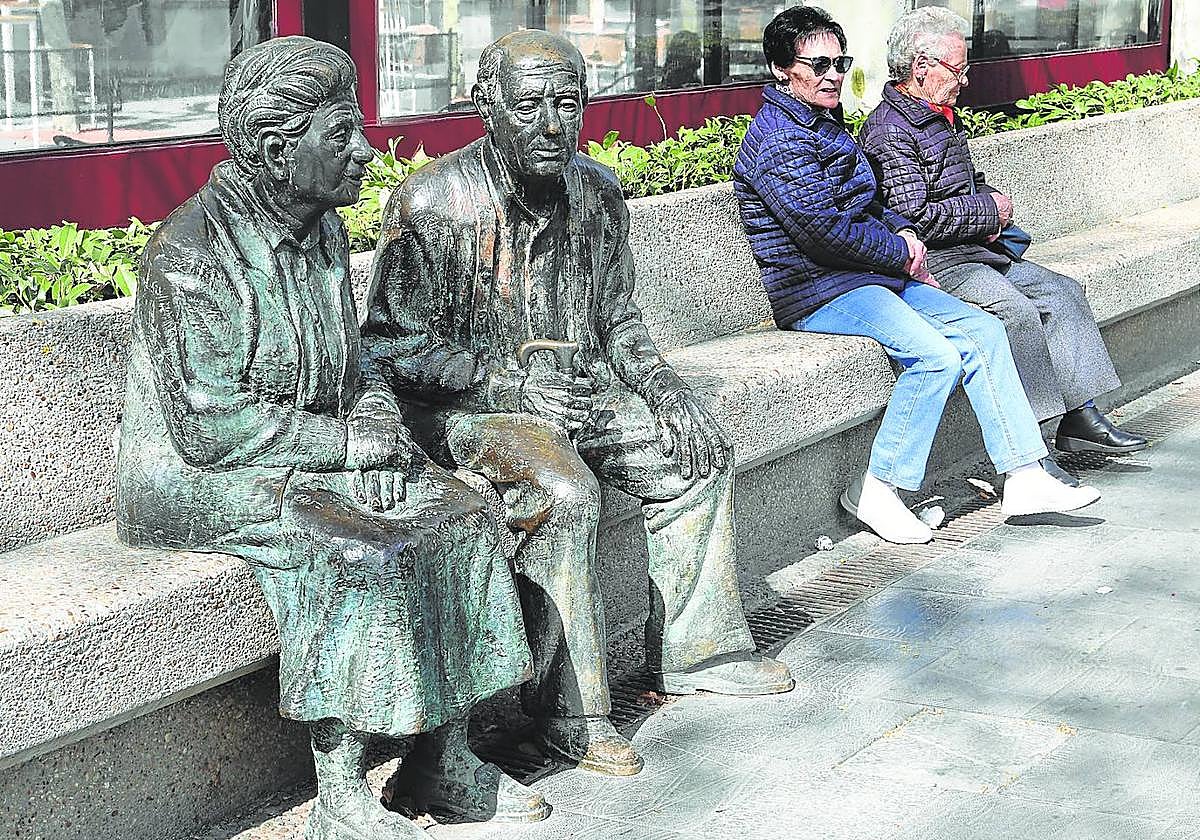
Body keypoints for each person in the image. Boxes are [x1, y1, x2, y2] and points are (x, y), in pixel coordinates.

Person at [115, 36, 546, 839]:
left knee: (461, 513)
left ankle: (441, 760)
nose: (364, 150)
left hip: (302, 447)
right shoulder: (190, 255)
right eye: (341, 134)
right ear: (278, 151)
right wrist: (347, 448)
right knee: (361, 551)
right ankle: (341, 796)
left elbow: (352, 367)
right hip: (198, 475)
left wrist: (376, 418)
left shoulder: (313, 228)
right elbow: (213, 427)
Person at [365, 30, 793, 779]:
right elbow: (387, 347)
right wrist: (503, 382)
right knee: (565, 493)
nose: (552, 125)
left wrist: (665, 390)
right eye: (530, 106)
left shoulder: (597, 192)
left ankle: (700, 652)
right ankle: (570, 712)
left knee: (697, 453)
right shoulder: (431, 202)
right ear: (485, 105)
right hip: (473, 410)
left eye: (567, 104)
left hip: (584, 392)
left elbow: (621, 319)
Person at [733, 6, 1102, 545]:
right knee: (935, 356)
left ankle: (1024, 476)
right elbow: (823, 233)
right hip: (817, 289)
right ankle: (878, 489)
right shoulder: (777, 139)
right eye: (820, 64)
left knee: (984, 330)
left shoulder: (823, 123)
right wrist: (900, 250)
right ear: (782, 69)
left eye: (841, 62)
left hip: (866, 276)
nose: (834, 74)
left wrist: (906, 238)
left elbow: (872, 205)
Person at [859, 6, 1147, 476]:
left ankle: (1080, 415)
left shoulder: (938, 116)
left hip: (978, 248)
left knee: (1062, 291)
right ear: (921, 67)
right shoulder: (890, 131)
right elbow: (914, 218)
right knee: (1012, 309)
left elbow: (964, 182)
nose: (965, 80)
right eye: (958, 69)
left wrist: (987, 199)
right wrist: (987, 212)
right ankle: (1031, 449)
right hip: (940, 262)